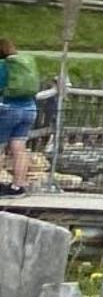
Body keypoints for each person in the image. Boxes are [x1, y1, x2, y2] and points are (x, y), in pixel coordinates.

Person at [0, 40, 39, 195]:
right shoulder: (24, 64)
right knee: (19, 148)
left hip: (8, 109)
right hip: (29, 108)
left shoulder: (3, 66)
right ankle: (18, 185)